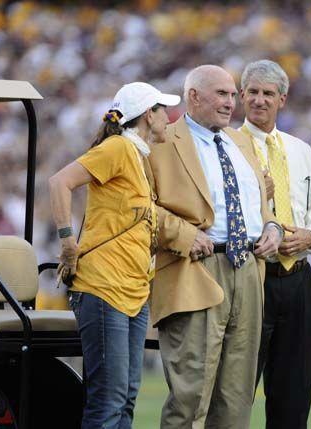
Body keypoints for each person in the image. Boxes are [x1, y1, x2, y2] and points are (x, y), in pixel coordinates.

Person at [145, 64, 283, 428]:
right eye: (222, 94)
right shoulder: (161, 141)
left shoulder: (240, 141)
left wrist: (272, 228)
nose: (231, 102)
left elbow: (260, 203)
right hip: (196, 268)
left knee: (237, 395)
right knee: (191, 394)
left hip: (250, 268)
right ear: (194, 96)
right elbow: (139, 206)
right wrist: (184, 235)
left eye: (233, 95)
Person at [49, 82, 181, 429]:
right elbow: (59, 182)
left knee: (124, 398)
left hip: (132, 292)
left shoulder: (138, 156)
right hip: (104, 287)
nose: (168, 117)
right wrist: (66, 240)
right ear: (147, 115)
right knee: (109, 401)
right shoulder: (120, 147)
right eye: (162, 110)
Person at [239, 59, 311, 428]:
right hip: (251, 275)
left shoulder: (300, 150)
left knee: (294, 390)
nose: (260, 100)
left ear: (283, 99)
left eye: (268, 93)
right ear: (242, 96)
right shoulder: (228, 145)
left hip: (298, 277)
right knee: (238, 386)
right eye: (253, 92)